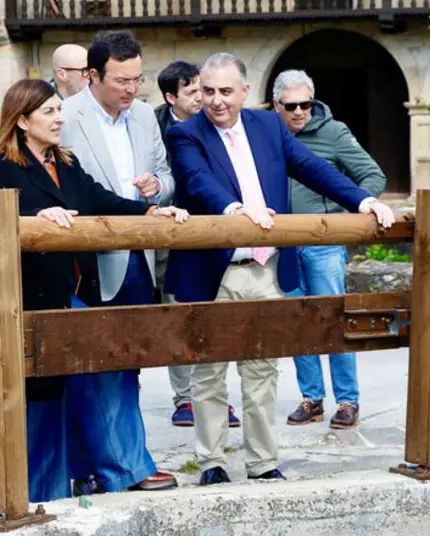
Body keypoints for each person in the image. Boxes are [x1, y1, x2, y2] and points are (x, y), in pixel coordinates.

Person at [164, 53, 395, 486]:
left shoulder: (269, 126)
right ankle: (212, 461)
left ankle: (262, 462)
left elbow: (314, 169)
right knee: (209, 372)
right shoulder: (185, 134)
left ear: (245, 92)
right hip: (213, 270)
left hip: (266, 269)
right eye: (208, 91)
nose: (216, 101)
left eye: (226, 92)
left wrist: (362, 200)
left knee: (262, 371)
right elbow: (196, 180)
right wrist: (237, 212)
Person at [0, 78, 188, 503]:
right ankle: (41, 493)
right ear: (22, 121)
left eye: (59, 110)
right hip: (32, 299)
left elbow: (99, 198)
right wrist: (39, 214)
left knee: (101, 374)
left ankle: (111, 472)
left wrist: (150, 210)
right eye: (50, 112)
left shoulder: (66, 161)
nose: (60, 119)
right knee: (42, 399)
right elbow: (0, 216)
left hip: (76, 293)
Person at [59, 31, 179, 494]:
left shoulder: (146, 116)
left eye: (138, 79)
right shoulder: (64, 117)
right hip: (89, 262)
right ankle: (124, 466)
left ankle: (106, 464)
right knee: (93, 367)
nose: (132, 89)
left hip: (141, 261)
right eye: (122, 80)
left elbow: (167, 175)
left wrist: (157, 188)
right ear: (92, 76)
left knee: (128, 366)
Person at [273, 69, 386, 430]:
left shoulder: (333, 133)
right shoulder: (266, 136)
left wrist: (348, 214)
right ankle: (312, 398)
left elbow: (373, 175)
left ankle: (347, 400)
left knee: (335, 321)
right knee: (298, 322)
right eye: (291, 106)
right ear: (277, 105)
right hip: (283, 245)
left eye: (306, 104)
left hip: (325, 245)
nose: (299, 112)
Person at [153, 60, 238, 428]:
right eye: (193, 91)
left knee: (212, 317)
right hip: (166, 232)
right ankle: (185, 397)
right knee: (177, 313)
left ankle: (216, 395)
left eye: (201, 89)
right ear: (172, 96)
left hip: (211, 229)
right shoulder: (156, 127)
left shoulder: (216, 126)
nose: (202, 98)